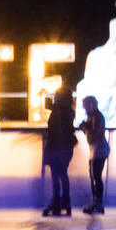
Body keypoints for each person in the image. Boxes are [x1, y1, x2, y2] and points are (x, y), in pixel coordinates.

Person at [41, 87, 77, 217]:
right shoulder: (68, 111)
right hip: (66, 147)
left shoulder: (57, 112)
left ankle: (56, 202)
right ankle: (65, 203)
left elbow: (54, 129)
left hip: (56, 147)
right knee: (63, 175)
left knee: (56, 176)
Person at [77, 95, 109, 215]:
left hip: (99, 150)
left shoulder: (97, 117)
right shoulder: (92, 116)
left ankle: (98, 202)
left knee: (96, 176)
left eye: (85, 105)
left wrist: (85, 127)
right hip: (95, 150)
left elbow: (94, 134)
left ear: (91, 105)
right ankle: (96, 201)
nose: (84, 108)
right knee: (94, 176)